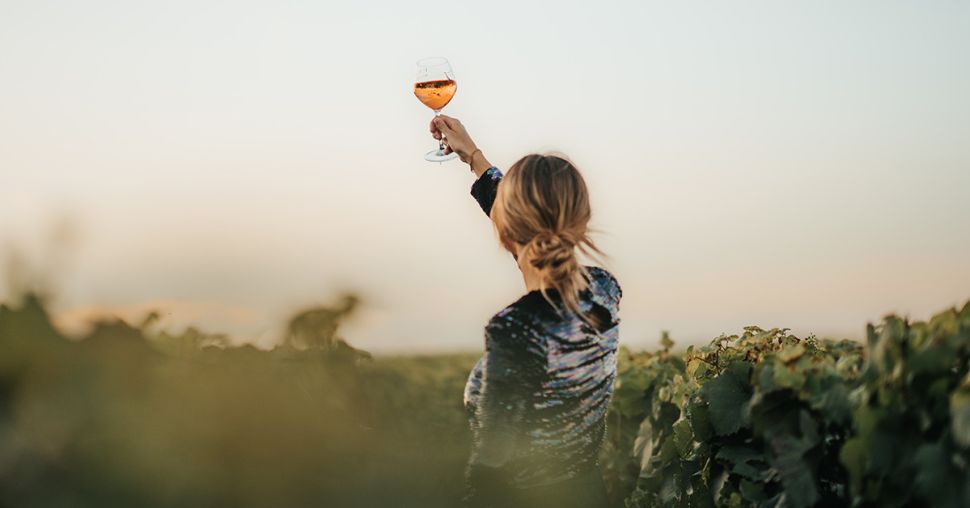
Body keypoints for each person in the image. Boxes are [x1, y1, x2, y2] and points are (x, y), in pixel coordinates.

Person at [430, 116, 622, 508]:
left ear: (504, 230)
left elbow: (491, 470)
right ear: (581, 221)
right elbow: (533, 234)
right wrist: (473, 157)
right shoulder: (604, 290)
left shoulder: (513, 328)